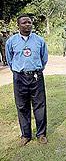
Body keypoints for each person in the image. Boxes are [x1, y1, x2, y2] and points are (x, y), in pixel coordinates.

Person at [5, 14, 48, 146]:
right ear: (18, 25)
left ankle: (41, 134)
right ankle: (26, 135)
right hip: (19, 77)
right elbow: (9, 59)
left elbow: (44, 58)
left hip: (36, 76)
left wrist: (36, 70)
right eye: (24, 22)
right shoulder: (11, 41)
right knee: (22, 106)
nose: (27, 24)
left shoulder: (39, 40)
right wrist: (19, 71)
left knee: (39, 105)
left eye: (29, 22)